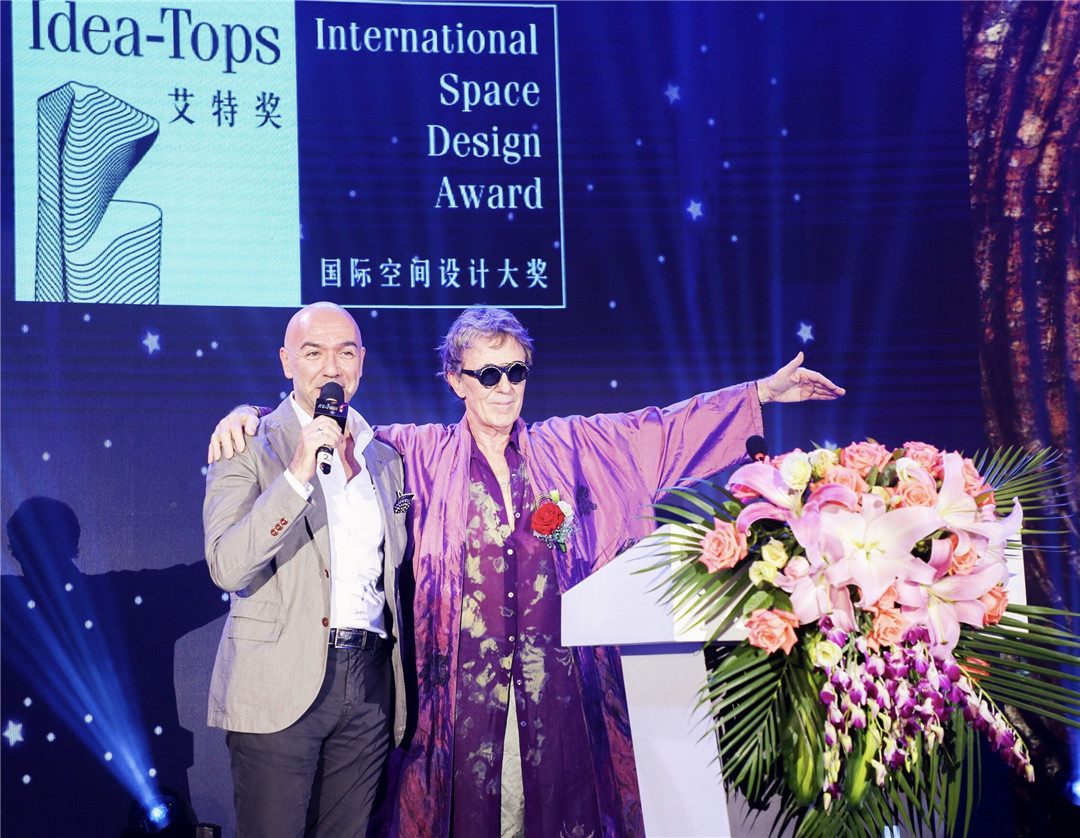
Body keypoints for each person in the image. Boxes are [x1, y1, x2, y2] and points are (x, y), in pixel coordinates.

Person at [208, 305, 844, 838]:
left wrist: (760, 394)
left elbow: (656, 432)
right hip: (457, 708)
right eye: (487, 373)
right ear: (456, 380)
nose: (504, 386)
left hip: (556, 697)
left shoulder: (570, 449)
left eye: (516, 371)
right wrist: (248, 416)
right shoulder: (410, 453)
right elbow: (321, 426)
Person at [202, 302, 410, 838]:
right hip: (279, 679)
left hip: (369, 684)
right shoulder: (246, 443)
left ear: (361, 362)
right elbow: (227, 565)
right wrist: (296, 474)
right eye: (313, 353)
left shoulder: (385, 458)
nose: (331, 368)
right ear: (286, 361)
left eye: (346, 352)